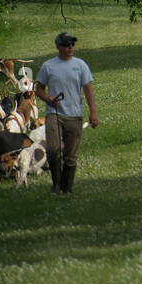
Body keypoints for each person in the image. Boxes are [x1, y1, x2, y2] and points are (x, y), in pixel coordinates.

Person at [35, 31, 98, 195]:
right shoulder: (48, 66)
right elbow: (39, 89)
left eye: (72, 44)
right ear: (58, 47)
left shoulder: (81, 65)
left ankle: (67, 188)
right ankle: (56, 184)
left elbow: (88, 91)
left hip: (74, 116)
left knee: (70, 156)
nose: (70, 47)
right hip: (54, 113)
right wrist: (48, 99)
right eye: (66, 45)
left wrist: (93, 113)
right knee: (54, 150)